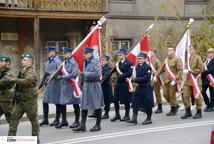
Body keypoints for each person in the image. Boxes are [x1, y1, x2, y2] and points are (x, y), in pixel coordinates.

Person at [8, 54, 39, 143]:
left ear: (30, 62)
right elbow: (18, 84)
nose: (22, 61)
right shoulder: (23, 70)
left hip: (29, 100)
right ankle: (11, 138)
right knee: (13, 117)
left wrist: (14, 80)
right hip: (20, 100)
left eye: (25, 60)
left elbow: (27, 81)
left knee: (33, 120)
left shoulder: (31, 72)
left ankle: (35, 139)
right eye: (22, 60)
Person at [72, 47, 104, 132]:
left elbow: (98, 74)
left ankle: (98, 125)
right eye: (84, 53)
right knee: (84, 105)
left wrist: (86, 73)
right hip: (86, 85)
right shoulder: (85, 62)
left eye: (85, 53)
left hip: (94, 85)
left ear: (90, 54)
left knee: (97, 105)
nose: (84, 55)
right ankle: (82, 125)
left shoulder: (95, 62)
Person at [55, 47, 81, 129]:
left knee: (75, 103)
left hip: (72, 86)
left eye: (65, 53)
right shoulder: (64, 62)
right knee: (62, 103)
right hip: (64, 86)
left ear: (69, 54)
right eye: (63, 53)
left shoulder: (74, 63)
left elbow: (74, 74)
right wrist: (56, 75)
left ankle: (77, 121)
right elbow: (60, 71)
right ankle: (64, 121)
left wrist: (63, 77)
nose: (64, 54)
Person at [127, 52, 154, 125]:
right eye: (138, 58)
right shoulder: (136, 67)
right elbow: (133, 76)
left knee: (148, 103)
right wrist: (132, 79)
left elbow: (146, 77)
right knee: (135, 102)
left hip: (146, 87)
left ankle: (149, 118)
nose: (138, 60)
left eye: (140, 58)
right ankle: (134, 118)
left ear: (145, 59)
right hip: (138, 87)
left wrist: (136, 79)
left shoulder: (148, 67)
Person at [39, 46, 62, 126]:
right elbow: (46, 72)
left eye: (49, 52)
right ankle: (45, 119)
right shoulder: (49, 61)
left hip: (55, 84)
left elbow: (60, 72)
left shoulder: (57, 61)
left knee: (57, 102)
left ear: (53, 52)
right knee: (45, 101)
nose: (48, 54)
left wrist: (51, 76)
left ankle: (57, 119)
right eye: (47, 52)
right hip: (48, 84)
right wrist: (41, 83)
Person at [157, 47, 183, 116]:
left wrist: (176, 79)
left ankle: (173, 109)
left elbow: (180, 70)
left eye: (170, 50)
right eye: (168, 50)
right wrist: (156, 75)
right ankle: (175, 105)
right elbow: (162, 69)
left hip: (173, 80)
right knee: (165, 94)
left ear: (174, 51)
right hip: (166, 81)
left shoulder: (177, 59)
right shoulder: (166, 59)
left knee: (172, 96)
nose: (169, 51)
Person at [181, 45, 203, 119]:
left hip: (196, 80)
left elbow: (201, 69)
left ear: (195, 50)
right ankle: (188, 112)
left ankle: (199, 112)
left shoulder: (198, 58)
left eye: (191, 49)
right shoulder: (188, 59)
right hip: (188, 81)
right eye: (189, 49)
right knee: (185, 95)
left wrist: (192, 71)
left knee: (197, 97)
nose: (189, 50)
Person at [111, 48, 133, 122]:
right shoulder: (117, 63)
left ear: (124, 55)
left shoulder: (129, 63)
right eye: (118, 55)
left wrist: (121, 76)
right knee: (115, 100)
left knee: (126, 100)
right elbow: (112, 70)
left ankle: (127, 115)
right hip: (118, 84)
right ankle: (117, 114)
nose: (119, 56)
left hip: (125, 83)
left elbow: (130, 72)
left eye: (120, 55)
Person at [0, 56, 14, 124]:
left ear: (7, 63)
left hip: (7, 100)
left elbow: (2, 82)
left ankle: (12, 133)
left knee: (10, 118)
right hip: (1, 98)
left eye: (2, 62)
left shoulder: (9, 73)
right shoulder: (1, 72)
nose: (0, 63)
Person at [150, 49, 163, 113]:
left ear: (154, 53)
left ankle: (160, 107)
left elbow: (160, 69)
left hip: (156, 79)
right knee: (149, 93)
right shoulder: (150, 60)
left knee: (157, 93)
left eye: (151, 52)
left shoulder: (157, 61)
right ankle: (148, 106)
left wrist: (156, 75)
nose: (150, 53)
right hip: (151, 79)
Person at [101, 55, 113, 119]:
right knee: (99, 99)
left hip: (106, 85)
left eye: (103, 60)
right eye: (101, 60)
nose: (102, 61)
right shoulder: (100, 67)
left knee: (107, 100)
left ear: (107, 61)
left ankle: (106, 113)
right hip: (100, 85)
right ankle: (96, 112)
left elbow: (106, 76)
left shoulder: (109, 68)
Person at [201, 48, 214, 112]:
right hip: (205, 80)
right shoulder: (206, 61)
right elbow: (204, 69)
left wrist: (202, 72)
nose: (210, 54)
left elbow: (211, 70)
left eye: (211, 52)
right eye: (208, 53)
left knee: (212, 94)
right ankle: (208, 104)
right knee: (203, 91)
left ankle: (211, 106)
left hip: (212, 79)